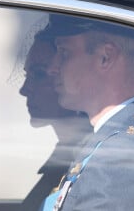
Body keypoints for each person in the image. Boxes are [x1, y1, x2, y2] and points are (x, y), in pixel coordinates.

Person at [39, 15, 134, 211]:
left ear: (105, 57)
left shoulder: (122, 158)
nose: (52, 68)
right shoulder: (115, 141)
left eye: (64, 52)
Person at [18, 27, 92, 211]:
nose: (24, 89)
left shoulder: (91, 160)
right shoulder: (67, 154)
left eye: (39, 74)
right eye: (28, 75)